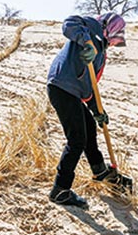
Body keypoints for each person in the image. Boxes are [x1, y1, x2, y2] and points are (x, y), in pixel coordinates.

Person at [46, 12, 130, 207]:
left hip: (72, 92)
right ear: (110, 29)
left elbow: (89, 86)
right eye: (115, 37)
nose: (114, 43)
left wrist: (96, 110)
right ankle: (60, 190)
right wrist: (86, 42)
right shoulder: (91, 27)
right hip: (61, 87)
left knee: (90, 126)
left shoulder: (101, 51)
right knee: (76, 139)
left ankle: (99, 170)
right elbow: (68, 23)